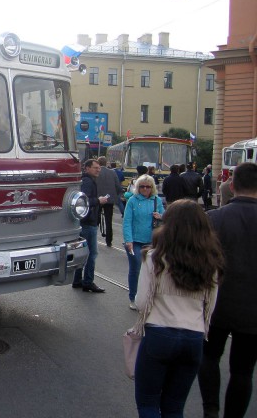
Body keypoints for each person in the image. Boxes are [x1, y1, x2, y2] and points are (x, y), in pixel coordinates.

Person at [134, 199, 223, 418]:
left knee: (148, 403)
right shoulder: (210, 262)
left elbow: (142, 302)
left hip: (159, 332)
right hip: (193, 337)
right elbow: (211, 304)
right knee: (174, 406)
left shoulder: (154, 257)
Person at [198, 162, 257, 418]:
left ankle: (211, 408)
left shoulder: (213, 218)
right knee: (243, 371)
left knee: (209, 357)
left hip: (216, 302)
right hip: (253, 310)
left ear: (232, 186)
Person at [123, 174, 164, 311]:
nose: (145, 189)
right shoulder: (132, 201)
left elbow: (165, 216)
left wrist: (160, 216)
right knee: (136, 267)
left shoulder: (156, 200)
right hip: (135, 240)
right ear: (138, 187)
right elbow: (127, 221)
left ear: (152, 188)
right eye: (142, 186)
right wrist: (128, 240)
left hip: (151, 240)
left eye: (148, 186)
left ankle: (150, 296)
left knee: (152, 269)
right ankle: (133, 297)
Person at [72, 159, 108, 293]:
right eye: (95, 168)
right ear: (86, 168)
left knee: (82, 252)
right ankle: (88, 281)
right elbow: (84, 201)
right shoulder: (88, 181)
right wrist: (98, 200)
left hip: (85, 221)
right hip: (88, 222)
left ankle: (77, 280)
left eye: (99, 168)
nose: (98, 170)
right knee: (92, 253)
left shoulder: (86, 180)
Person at [96, 156, 122, 247]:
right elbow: (118, 187)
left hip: (97, 199)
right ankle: (109, 241)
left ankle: (94, 238)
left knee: (96, 219)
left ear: (98, 163)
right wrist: (116, 195)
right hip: (110, 199)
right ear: (106, 163)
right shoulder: (112, 172)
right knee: (108, 221)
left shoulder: (96, 172)